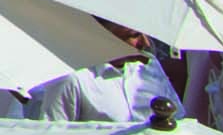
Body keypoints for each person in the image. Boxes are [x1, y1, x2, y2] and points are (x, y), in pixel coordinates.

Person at [26, 20, 183, 128]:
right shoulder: (72, 78)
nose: (146, 43)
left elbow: (178, 119)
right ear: (105, 34)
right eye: (134, 35)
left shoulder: (150, 66)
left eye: (146, 34)